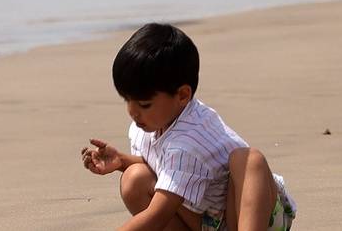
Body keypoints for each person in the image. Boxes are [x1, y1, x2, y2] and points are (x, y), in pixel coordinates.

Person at [81, 23, 297, 230]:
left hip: (252, 217)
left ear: (183, 95)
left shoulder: (188, 141)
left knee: (249, 160)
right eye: (126, 99)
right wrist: (122, 161)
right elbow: (167, 167)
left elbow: (159, 214)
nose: (133, 111)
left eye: (144, 104)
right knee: (134, 178)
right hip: (206, 219)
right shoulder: (145, 125)